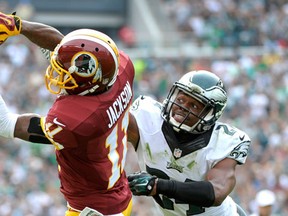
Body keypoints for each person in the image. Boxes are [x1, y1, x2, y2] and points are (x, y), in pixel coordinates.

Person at [0, 12, 135, 216]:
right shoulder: (120, 69)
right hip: (118, 197)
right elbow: (63, 46)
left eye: (64, 72)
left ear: (88, 83)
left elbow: (6, 124)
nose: (58, 74)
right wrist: (18, 25)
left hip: (93, 211)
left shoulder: (76, 120)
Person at [127, 70, 251, 215]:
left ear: (210, 114)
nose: (183, 107)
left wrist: (158, 186)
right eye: (180, 100)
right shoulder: (147, 118)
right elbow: (106, 129)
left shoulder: (223, 142)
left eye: (194, 106)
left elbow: (217, 192)